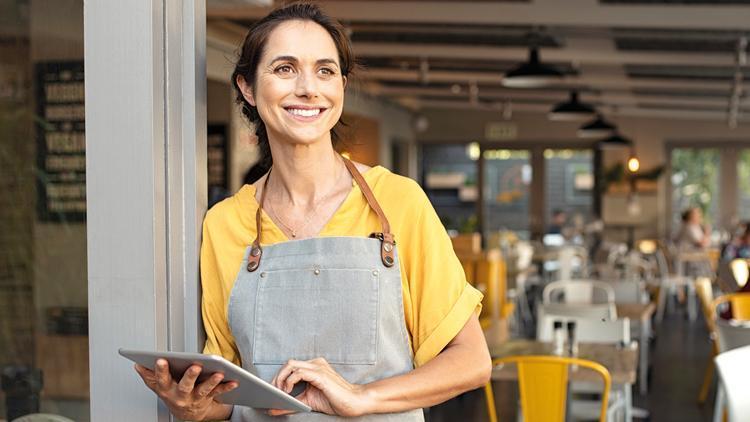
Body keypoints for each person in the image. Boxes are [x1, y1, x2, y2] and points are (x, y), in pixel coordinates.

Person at [133, 3, 491, 421]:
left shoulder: (398, 202)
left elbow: (471, 361)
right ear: (247, 87)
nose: (308, 88)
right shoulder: (224, 224)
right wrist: (194, 409)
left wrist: (361, 397)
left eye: (325, 70)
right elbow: (228, 397)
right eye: (285, 69)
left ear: (341, 85)